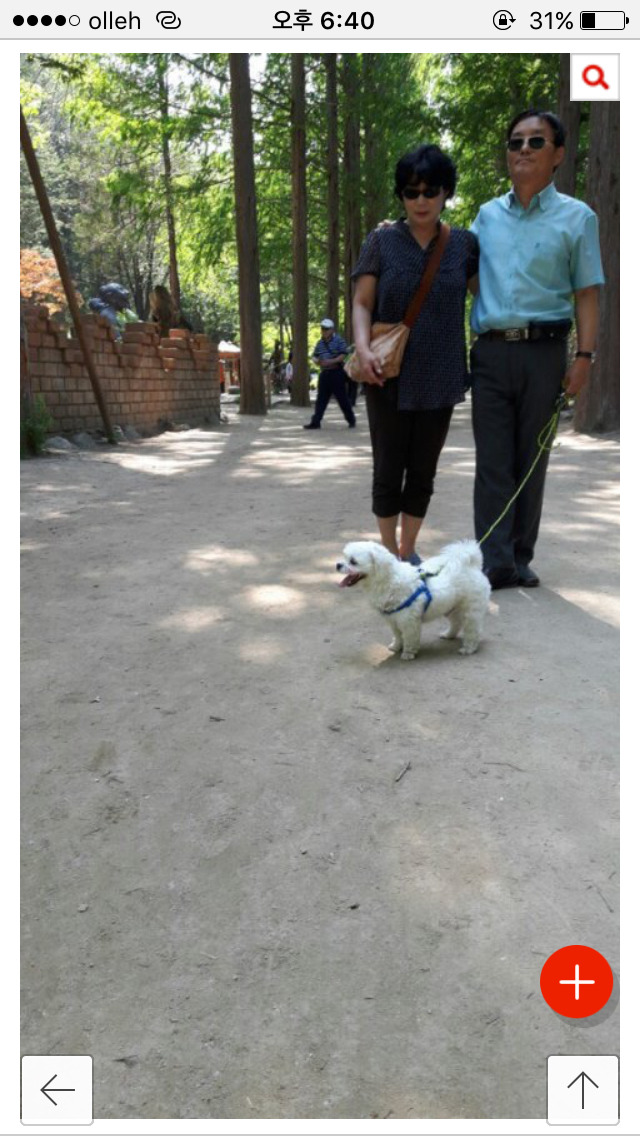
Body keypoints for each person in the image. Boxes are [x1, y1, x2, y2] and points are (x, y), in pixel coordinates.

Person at [470, 109, 605, 589]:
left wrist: (584, 357)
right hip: (489, 353)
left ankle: (519, 558)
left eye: (535, 142)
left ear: (558, 155)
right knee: (492, 459)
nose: (523, 149)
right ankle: (494, 561)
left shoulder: (577, 218)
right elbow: (466, 275)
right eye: (515, 142)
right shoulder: (486, 216)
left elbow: (587, 292)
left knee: (532, 457)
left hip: (545, 352)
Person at [351, 144, 479, 564]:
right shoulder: (382, 240)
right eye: (411, 191)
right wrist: (364, 348)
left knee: (423, 471)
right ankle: (388, 553)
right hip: (386, 372)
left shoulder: (464, 245)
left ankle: (408, 551)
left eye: (430, 190)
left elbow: (487, 299)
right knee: (388, 468)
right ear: (401, 195)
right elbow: (362, 303)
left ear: (446, 192)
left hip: (441, 375)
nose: (421, 200)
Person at [303, 318, 357, 430]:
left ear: (332, 330)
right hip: (324, 373)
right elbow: (315, 355)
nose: (324, 331)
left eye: (326, 329)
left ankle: (351, 419)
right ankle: (315, 422)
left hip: (337, 373)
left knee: (342, 398)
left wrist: (331, 361)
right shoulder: (320, 343)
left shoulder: (339, 340)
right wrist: (316, 361)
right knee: (321, 399)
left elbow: (343, 355)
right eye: (322, 328)